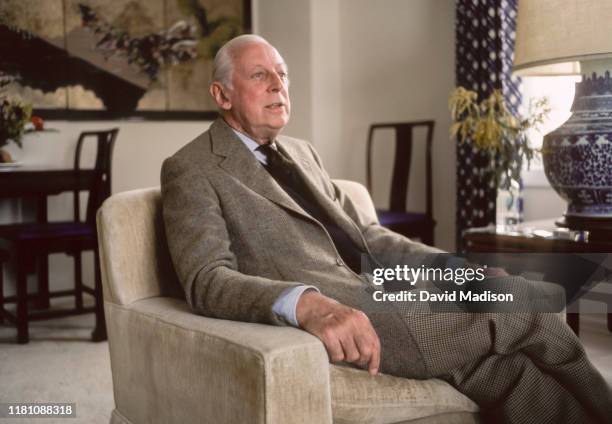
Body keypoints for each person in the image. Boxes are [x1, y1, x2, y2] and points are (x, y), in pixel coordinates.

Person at [160, 34, 612, 423]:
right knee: (529, 304)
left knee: (510, 372)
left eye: (283, 74)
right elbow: (207, 279)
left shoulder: (301, 152)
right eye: (260, 76)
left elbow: (366, 234)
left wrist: (451, 268)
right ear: (222, 95)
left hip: (393, 285)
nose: (278, 85)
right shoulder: (191, 168)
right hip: (358, 308)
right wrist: (307, 305)